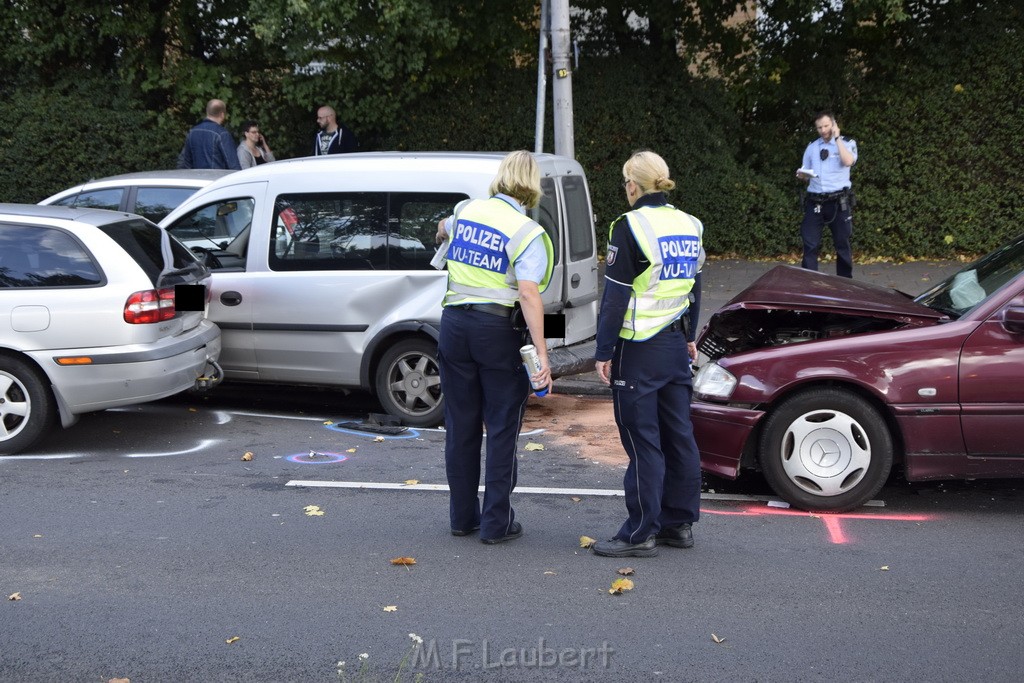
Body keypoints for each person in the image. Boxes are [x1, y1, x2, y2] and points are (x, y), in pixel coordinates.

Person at [434, 150, 554, 545]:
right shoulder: (526, 232)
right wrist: (542, 355)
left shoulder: (467, 211)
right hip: (497, 332)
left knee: (461, 425)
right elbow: (528, 294)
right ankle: (495, 523)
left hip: (454, 326)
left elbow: (441, 227)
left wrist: (449, 237)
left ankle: (462, 518)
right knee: (502, 427)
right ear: (532, 186)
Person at [591, 150, 704, 559]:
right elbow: (694, 287)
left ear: (633, 186)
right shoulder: (690, 224)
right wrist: (690, 334)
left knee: (643, 442)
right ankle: (680, 523)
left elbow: (616, 295)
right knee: (679, 436)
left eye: (625, 183)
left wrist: (602, 350)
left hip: (638, 348)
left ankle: (640, 533)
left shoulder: (630, 226)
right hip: (675, 344)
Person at [796, 111, 858, 278]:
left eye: (826, 126)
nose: (823, 130)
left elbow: (848, 162)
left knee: (842, 244)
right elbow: (805, 172)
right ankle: (809, 283)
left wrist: (837, 139)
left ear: (834, 124)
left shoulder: (847, 143)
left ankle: (845, 285)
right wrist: (802, 175)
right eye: (819, 127)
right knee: (810, 244)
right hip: (815, 201)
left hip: (838, 202)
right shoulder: (811, 147)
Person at [177, 99, 242, 171]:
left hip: (196, 179)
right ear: (222, 114)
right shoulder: (222, 134)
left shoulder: (192, 132)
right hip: (217, 179)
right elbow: (233, 165)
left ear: (207, 112)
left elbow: (184, 163)